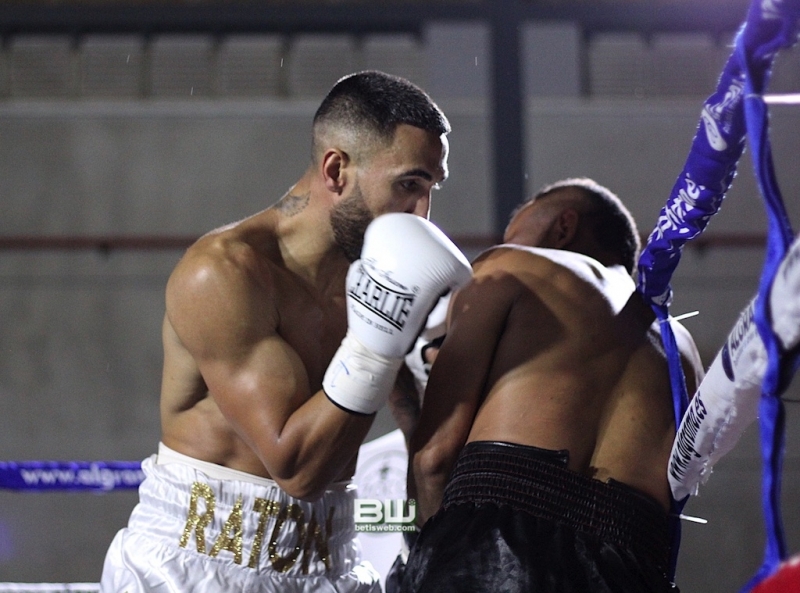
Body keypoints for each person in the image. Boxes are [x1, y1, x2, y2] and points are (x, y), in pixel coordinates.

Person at [100, 70, 472, 593]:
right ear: (336, 169)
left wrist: (431, 551)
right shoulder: (226, 273)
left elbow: (424, 449)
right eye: (408, 184)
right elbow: (296, 469)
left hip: (333, 561)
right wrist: (376, 342)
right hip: (198, 565)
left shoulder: (379, 276)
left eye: (431, 188)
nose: (423, 213)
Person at [399, 178, 705, 593]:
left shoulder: (512, 266)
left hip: (493, 552)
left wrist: (425, 554)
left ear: (562, 226)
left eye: (518, 224)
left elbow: (433, 459)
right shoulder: (684, 352)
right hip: (631, 571)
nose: (507, 239)